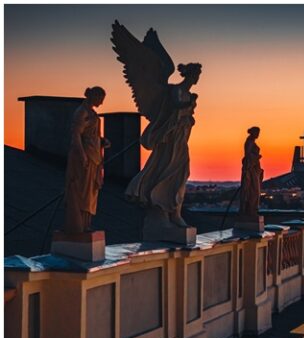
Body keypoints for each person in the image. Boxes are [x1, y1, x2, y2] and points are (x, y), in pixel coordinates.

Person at [126, 63, 201, 227]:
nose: (197, 78)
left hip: (181, 137)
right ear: (190, 75)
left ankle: (175, 212)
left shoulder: (188, 94)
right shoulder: (175, 90)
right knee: (165, 169)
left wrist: (190, 116)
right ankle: (160, 208)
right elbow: (175, 107)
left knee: (182, 172)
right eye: (196, 74)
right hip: (169, 137)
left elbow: (187, 116)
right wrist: (189, 104)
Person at [63, 86, 110, 233]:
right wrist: (82, 155)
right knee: (82, 193)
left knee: (90, 194)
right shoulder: (82, 112)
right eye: (100, 99)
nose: (101, 103)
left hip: (94, 158)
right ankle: (79, 225)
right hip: (85, 159)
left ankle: (86, 224)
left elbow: (90, 135)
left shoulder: (92, 113)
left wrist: (101, 141)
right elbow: (76, 135)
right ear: (94, 96)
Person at [239, 126, 263, 217]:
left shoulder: (251, 142)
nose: (258, 135)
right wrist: (257, 157)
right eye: (257, 133)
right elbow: (248, 156)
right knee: (253, 190)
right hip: (251, 169)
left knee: (255, 190)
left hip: (254, 168)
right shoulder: (249, 142)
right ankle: (250, 210)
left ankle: (252, 210)